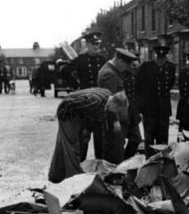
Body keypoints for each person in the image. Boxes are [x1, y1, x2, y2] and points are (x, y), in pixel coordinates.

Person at [48, 87, 129, 183]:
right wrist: (84, 130)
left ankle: (56, 175)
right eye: (117, 110)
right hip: (68, 113)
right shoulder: (94, 102)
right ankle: (74, 178)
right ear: (114, 106)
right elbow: (81, 113)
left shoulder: (108, 95)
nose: (115, 113)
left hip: (76, 112)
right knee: (72, 146)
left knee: (63, 144)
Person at [67, 32, 108, 161]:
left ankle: (99, 165)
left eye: (98, 44)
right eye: (93, 44)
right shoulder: (80, 60)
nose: (96, 47)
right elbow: (64, 71)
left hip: (100, 103)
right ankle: (81, 164)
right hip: (85, 103)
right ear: (88, 44)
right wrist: (76, 86)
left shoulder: (103, 60)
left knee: (100, 136)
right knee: (84, 135)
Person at [97, 48, 138, 165]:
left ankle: (121, 168)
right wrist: (114, 120)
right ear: (120, 62)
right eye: (126, 66)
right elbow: (109, 100)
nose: (126, 69)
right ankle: (113, 176)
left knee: (130, 143)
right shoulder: (110, 74)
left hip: (122, 117)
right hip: (114, 120)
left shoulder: (112, 71)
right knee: (114, 151)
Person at [135, 45, 176, 158]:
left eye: (163, 58)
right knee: (149, 137)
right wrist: (142, 103)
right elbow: (137, 85)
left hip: (163, 109)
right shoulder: (146, 67)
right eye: (158, 58)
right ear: (155, 56)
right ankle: (149, 160)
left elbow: (170, 84)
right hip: (149, 109)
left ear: (166, 57)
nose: (160, 61)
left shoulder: (171, 67)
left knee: (162, 138)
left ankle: (161, 161)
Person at [122, 52, 143, 159]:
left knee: (136, 139)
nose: (135, 68)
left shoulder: (137, 76)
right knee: (119, 141)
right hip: (122, 113)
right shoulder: (120, 75)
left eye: (137, 65)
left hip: (133, 113)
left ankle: (125, 159)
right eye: (133, 65)